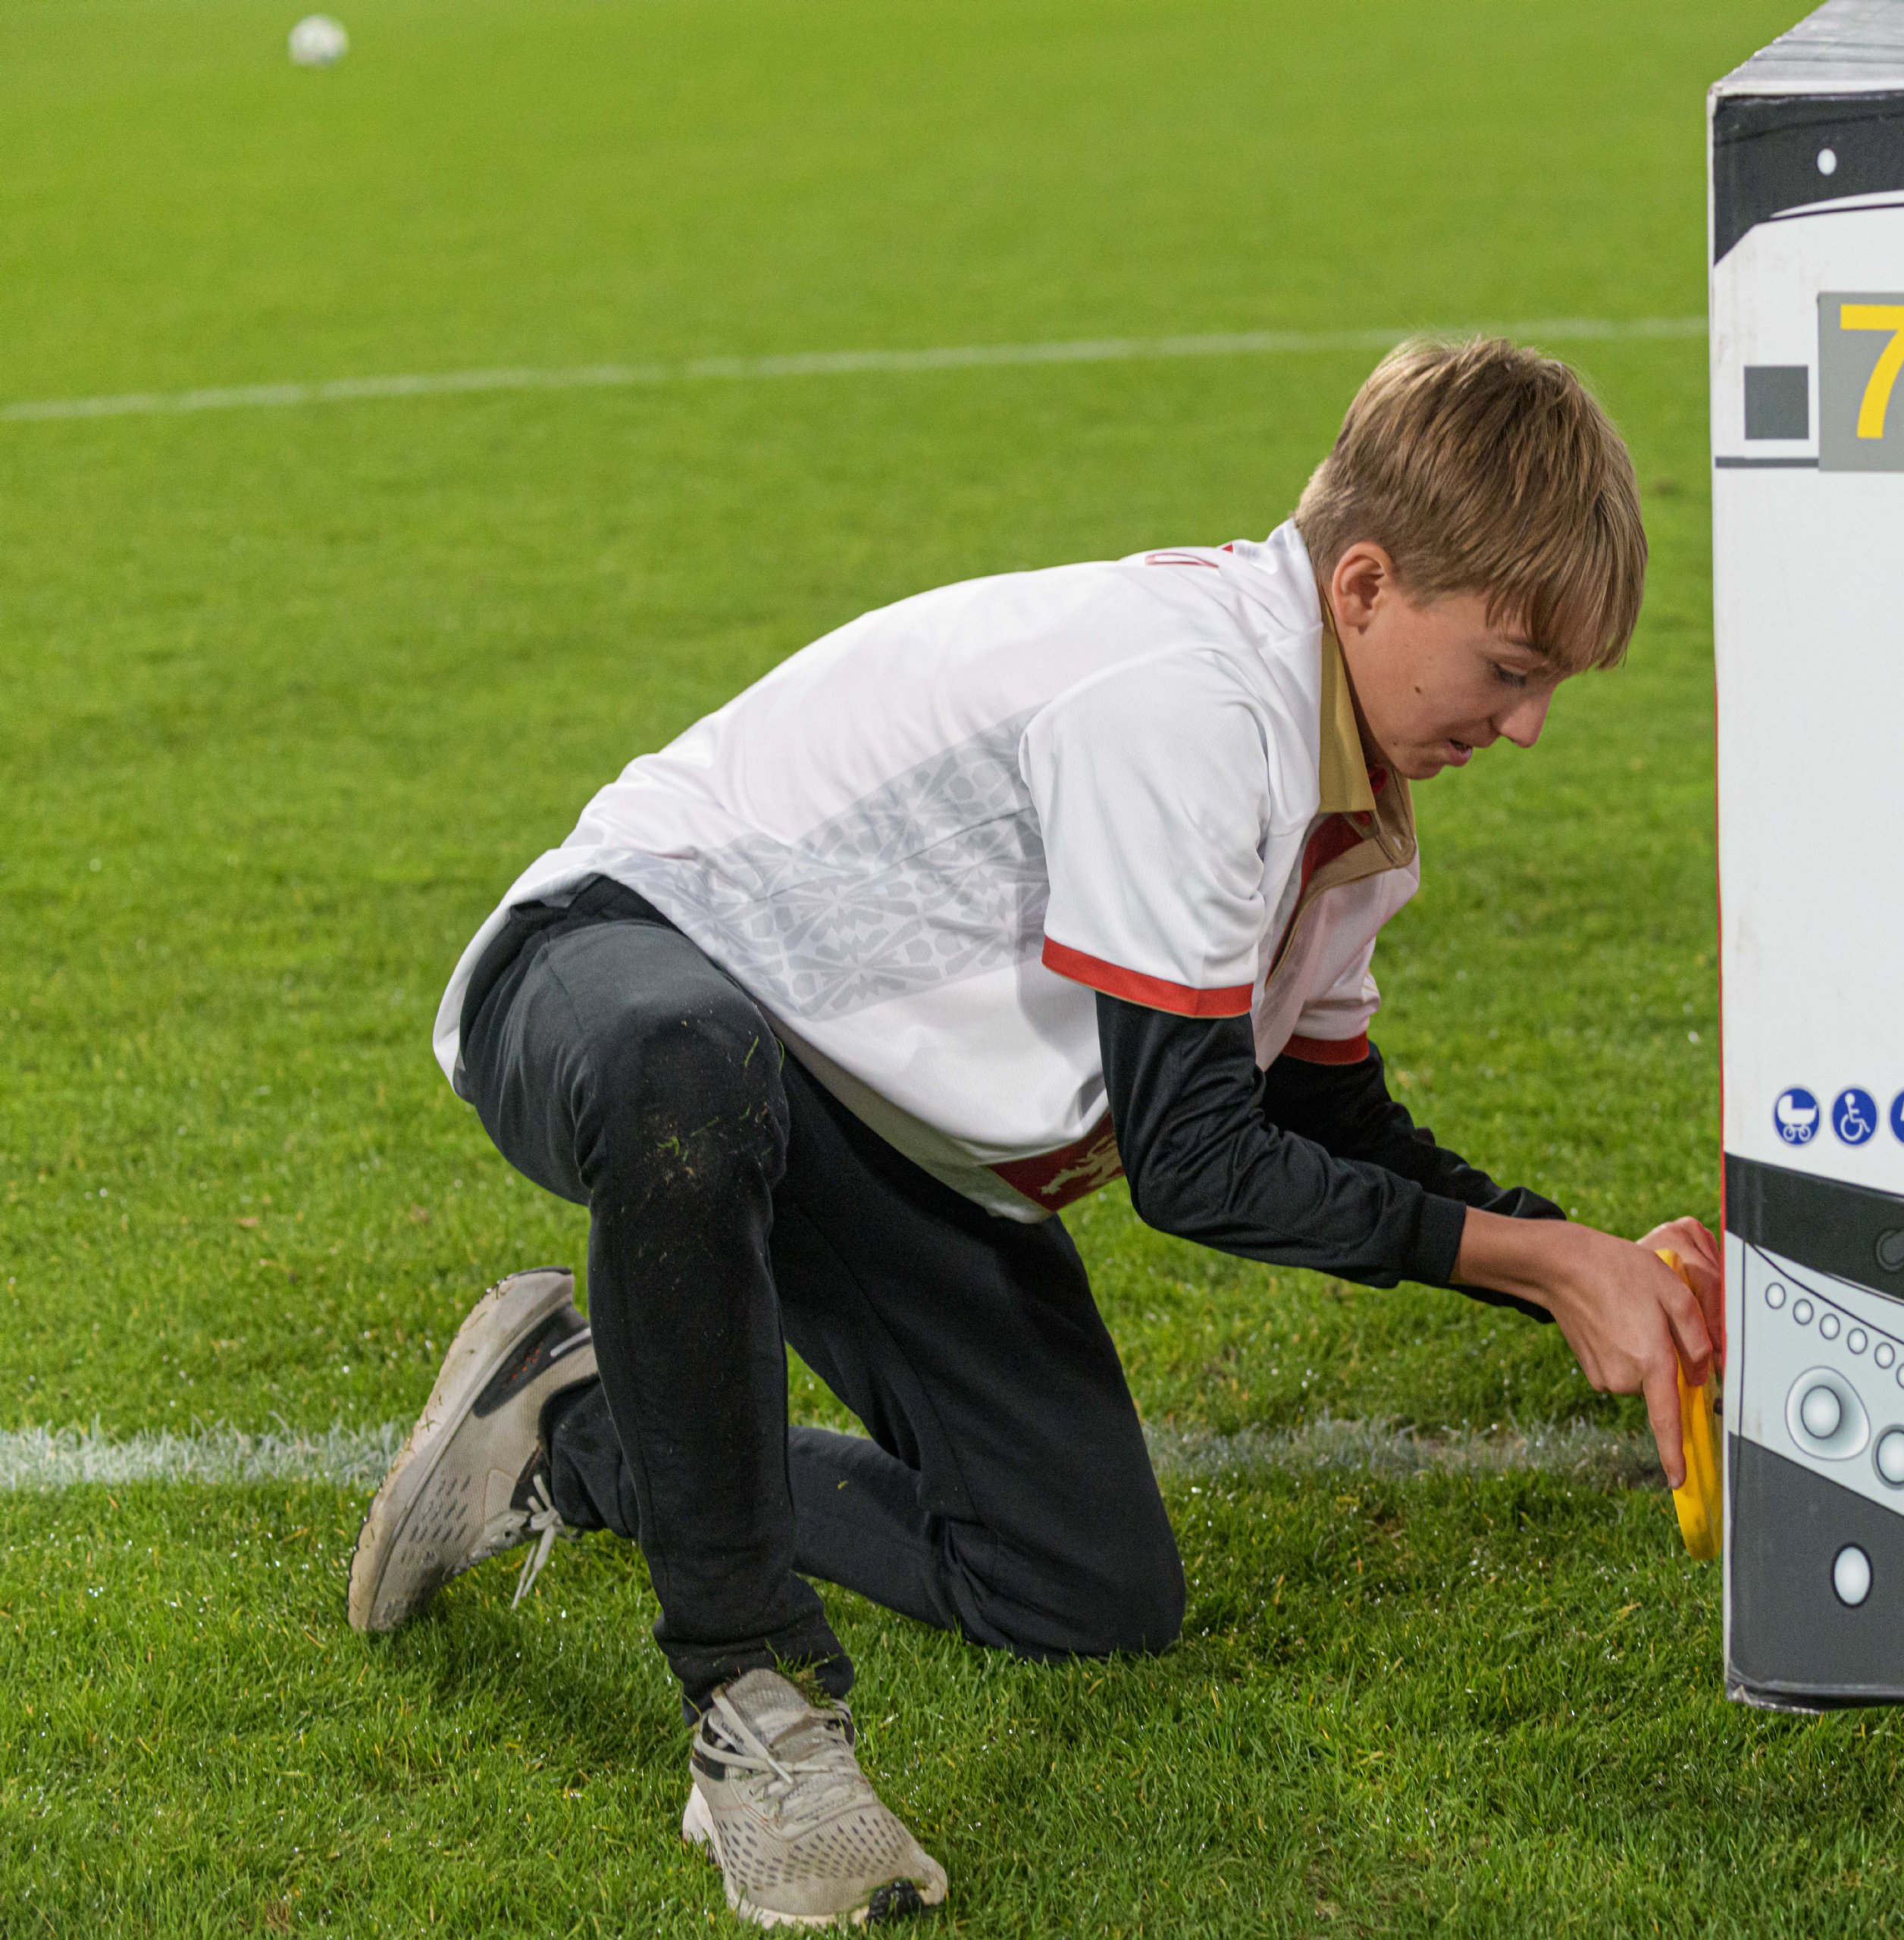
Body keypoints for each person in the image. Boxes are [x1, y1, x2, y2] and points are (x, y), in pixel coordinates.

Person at [345, 338, 1725, 1928]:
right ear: (1364, 586)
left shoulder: (1349, 809)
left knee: (1083, 1583)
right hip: (619, 964)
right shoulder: (1193, 704)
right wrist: (1541, 1264)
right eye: (1510, 667)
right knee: (691, 1074)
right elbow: (1196, 1164)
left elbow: (1325, 1117)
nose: (1530, 724)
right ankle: (756, 1701)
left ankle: (573, 1417)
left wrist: (1581, 1259)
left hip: (866, 1109)